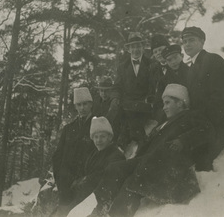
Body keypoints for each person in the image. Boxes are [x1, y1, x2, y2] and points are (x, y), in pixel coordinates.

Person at [90, 84, 214, 217]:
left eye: (168, 103)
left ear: (180, 103)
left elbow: (206, 130)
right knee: (114, 168)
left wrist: (183, 141)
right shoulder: (164, 124)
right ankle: (101, 208)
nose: (164, 107)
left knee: (131, 182)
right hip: (148, 160)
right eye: (163, 103)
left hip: (167, 164)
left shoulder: (190, 116)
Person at [181, 26, 224, 171]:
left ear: (202, 41)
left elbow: (220, 99)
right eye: (185, 41)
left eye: (192, 40)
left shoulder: (213, 60)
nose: (187, 44)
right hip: (202, 120)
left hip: (218, 122)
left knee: (199, 159)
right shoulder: (191, 68)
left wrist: (202, 125)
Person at [53, 117, 125, 216]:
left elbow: (103, 179)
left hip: (98, 198)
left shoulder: (115, 155)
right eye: (96, 137)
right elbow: (84, 172)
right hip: (85, 194)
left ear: (109, 137)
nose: (99, 140)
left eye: (102, 136)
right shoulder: (94, 153)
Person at [52, 87, 96, 208]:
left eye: (85, 104)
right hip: (66, 181)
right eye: (79, 105)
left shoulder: (97, 124)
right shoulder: (69, 129)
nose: (82, 108)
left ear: (91, 104)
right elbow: (58, 155)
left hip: (87, 179)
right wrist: (60, 177)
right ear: (75, 107)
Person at [112, 32, 152, 150]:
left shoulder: (151, 64)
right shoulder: (122, 66)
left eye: (138, 46)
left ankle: (138, 144)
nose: (136, 50)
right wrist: (115, 98)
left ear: (143, 47)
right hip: (127, 104)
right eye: (133, 47)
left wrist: (148, 98)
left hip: (144, 104)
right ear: (128, 49)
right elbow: (117, 86)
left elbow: (153, 86)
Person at [154, 44, 189, 122]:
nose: (173, 62)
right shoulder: (163, 80)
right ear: (166, 62)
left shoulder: (192, 73)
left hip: (189, 114)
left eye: (175, 57)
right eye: (169, 60)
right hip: (171, 118)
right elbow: (158, 103)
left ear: (182, 56)